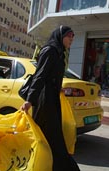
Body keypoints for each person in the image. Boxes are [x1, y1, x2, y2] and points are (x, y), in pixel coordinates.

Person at [20, 25, 80, 171]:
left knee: (50, 138)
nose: (72, 38)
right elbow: (40, 76)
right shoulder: (50, 50)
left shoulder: (59, 52)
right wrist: (30, 100)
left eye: (73, 36)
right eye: (69, 35)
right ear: (61, 36)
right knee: (51, 138)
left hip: (51, 98)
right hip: (44, 100)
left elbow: (51, 75)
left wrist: (58, 87)